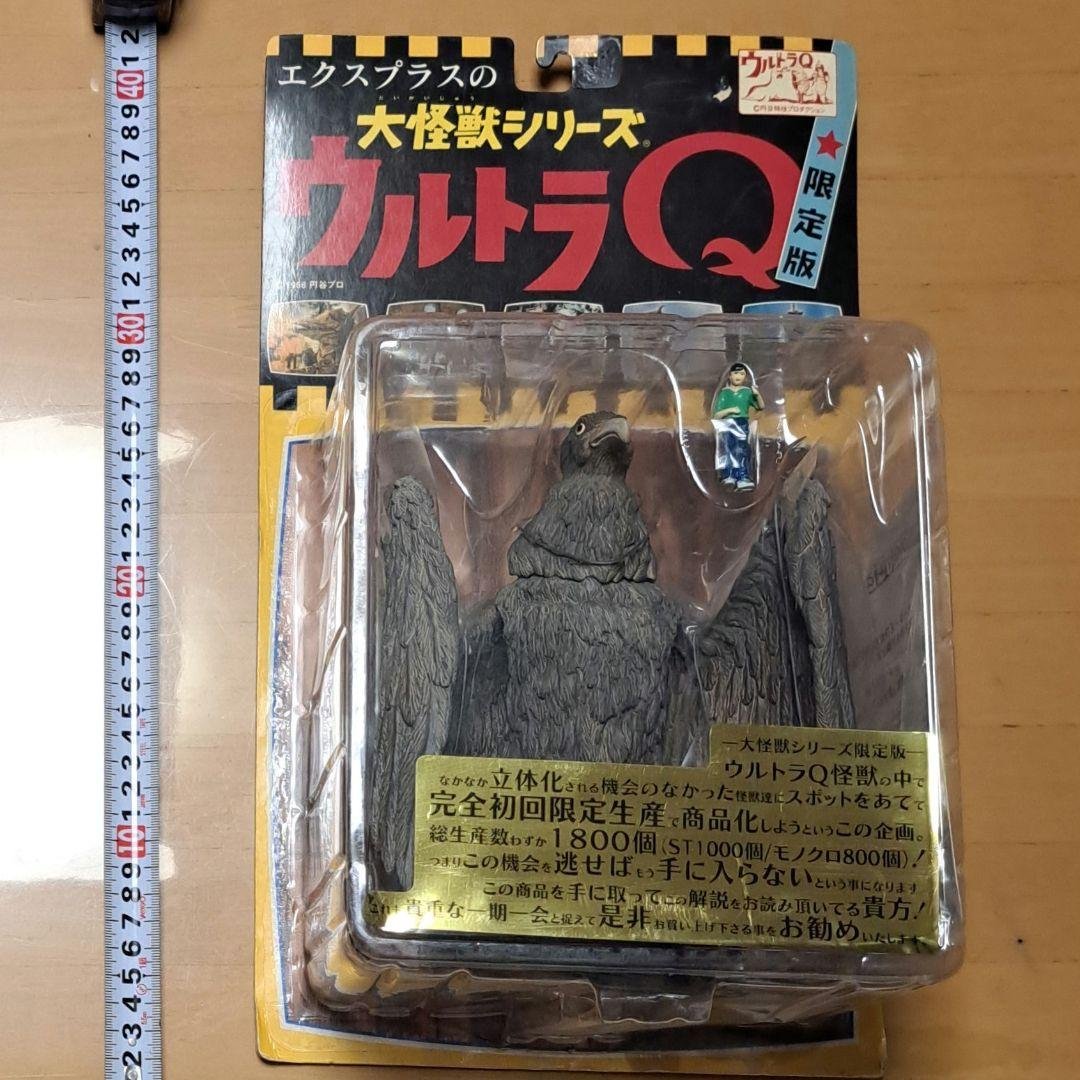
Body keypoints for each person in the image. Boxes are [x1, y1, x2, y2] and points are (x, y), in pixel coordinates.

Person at [711, 363, 763, 490]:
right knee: (727, 449)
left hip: (741, 423)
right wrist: (730, 410)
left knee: (741, 449)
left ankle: (742, 477)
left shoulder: (747, 392)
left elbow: (760, 406)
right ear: (729, 375)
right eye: (735, 373)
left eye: (742, 374)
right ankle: (728, 475)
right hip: (726, 424)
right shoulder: (725, 393)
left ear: (745, 376)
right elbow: (717, 415)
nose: (738, 376)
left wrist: (757, 394)